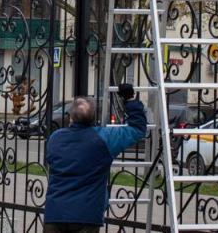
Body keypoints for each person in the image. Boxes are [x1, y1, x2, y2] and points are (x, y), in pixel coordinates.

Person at [44, 84, 148, 233]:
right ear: (94, 117)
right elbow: (138, 129)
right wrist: (129, 99)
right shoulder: (105, 139)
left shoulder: (55, 138)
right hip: (87, 215)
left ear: (71, 117)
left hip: (55, 213)